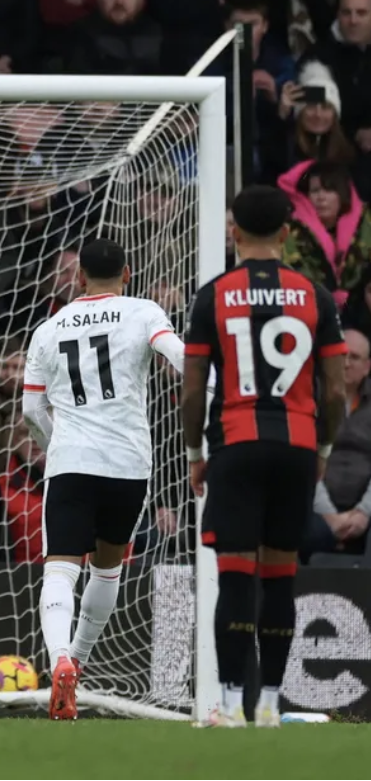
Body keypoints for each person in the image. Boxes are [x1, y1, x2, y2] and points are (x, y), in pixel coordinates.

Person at [181, 184, 349, 728]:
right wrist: (321, 448)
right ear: (285, 233)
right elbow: (334, 390)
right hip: (297, 446)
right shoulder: (315, 295)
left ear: (234, 232)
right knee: (280, 575)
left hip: (235, 442)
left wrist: (193, 452)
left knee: (235, 577)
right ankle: (273, 705)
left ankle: (231, 705)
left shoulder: (212, 295)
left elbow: (191, 389)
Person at [20, 237, 185, 721]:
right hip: (128, 465)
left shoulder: (49, 329)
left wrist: (57, 445)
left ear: (80, 277)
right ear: (128, 273)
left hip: (71, 462)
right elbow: (177, 357)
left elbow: (31, 408)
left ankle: (59, 662)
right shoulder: (143, 311)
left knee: (60, 570)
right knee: (107, 567)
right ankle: (83, 658)